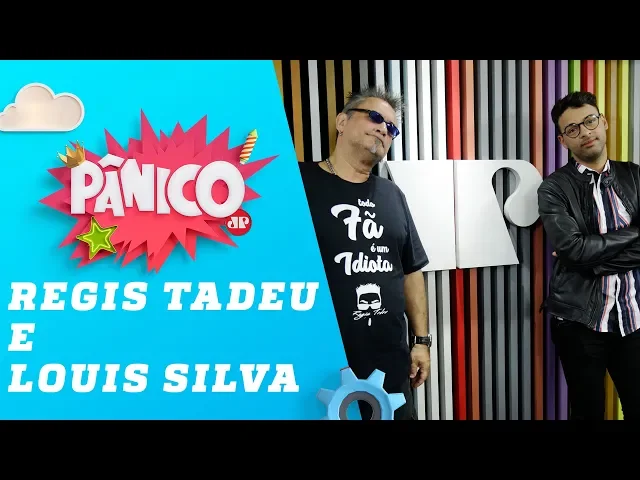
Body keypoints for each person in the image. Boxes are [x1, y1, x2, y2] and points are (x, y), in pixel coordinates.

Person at [297, 86, 431, 420]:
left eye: (392, 127)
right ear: (342, 122)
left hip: (389, 364)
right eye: (374, 117)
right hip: (319, 358)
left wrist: (421, 341)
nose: (384, 129)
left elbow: (411, 270)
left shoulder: (392, 194)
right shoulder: (297, 183)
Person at [538, 90, 640, 420]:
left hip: (632, 318)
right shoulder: (554, 188)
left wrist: (589, 258)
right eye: (573, 129)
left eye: (590, 121)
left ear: (604, 122)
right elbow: (574, 250)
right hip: (579, 323)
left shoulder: (634, 175)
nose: (584, 132)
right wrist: (636, 232)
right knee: (588, 414)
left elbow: (581, 254)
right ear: (562, 140)